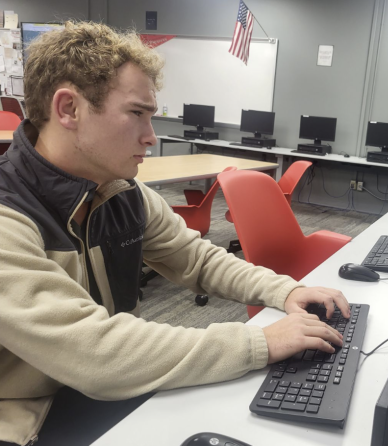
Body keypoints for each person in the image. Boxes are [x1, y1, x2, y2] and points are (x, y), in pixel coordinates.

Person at [0, 21, 349, 446]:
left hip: (106, 386)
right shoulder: (8, 216)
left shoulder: (123, 192)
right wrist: (258, 343)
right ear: (68, 109)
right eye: (136, 114)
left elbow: (197, 258)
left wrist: (285, 292)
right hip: (28, 418)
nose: (151, 137)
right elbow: (94, 352)